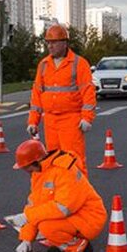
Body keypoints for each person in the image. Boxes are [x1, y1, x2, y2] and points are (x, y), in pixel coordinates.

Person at [6, 139, 107, 252]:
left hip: (90, 218)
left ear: (36, 162)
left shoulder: (64, 171)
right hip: (76, 216)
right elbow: (35, 206)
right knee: (43, 219)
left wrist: (28, 216)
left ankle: (79, 247)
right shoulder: (39, 173)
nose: (26, 171)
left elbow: (63, 207)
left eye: (26, 168)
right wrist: (26, 239)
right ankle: (66, 243)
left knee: (47, 227)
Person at [26, 23, 97, 173]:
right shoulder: (44, 65)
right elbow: (37, 95)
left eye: (54, 42)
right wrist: (33, 121)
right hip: (50, 121)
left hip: (71, 120)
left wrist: (87, 118)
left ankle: (79, 194)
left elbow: (88, 92)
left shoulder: (79, 64)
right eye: (48, 43)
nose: (50, 46)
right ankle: (60, 193)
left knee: (74, 160)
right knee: (54, 160)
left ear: (64, 43)